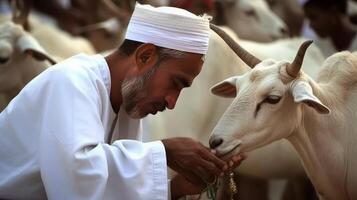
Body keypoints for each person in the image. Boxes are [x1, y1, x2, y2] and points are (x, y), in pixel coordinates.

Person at [0, 3, 244, 200]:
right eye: (175, 83)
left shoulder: (127, 103)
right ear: (145, 56)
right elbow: (75, 185)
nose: (172, 102)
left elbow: (103, 185)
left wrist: (175, 189)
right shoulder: (72, 81)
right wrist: (165, 151)